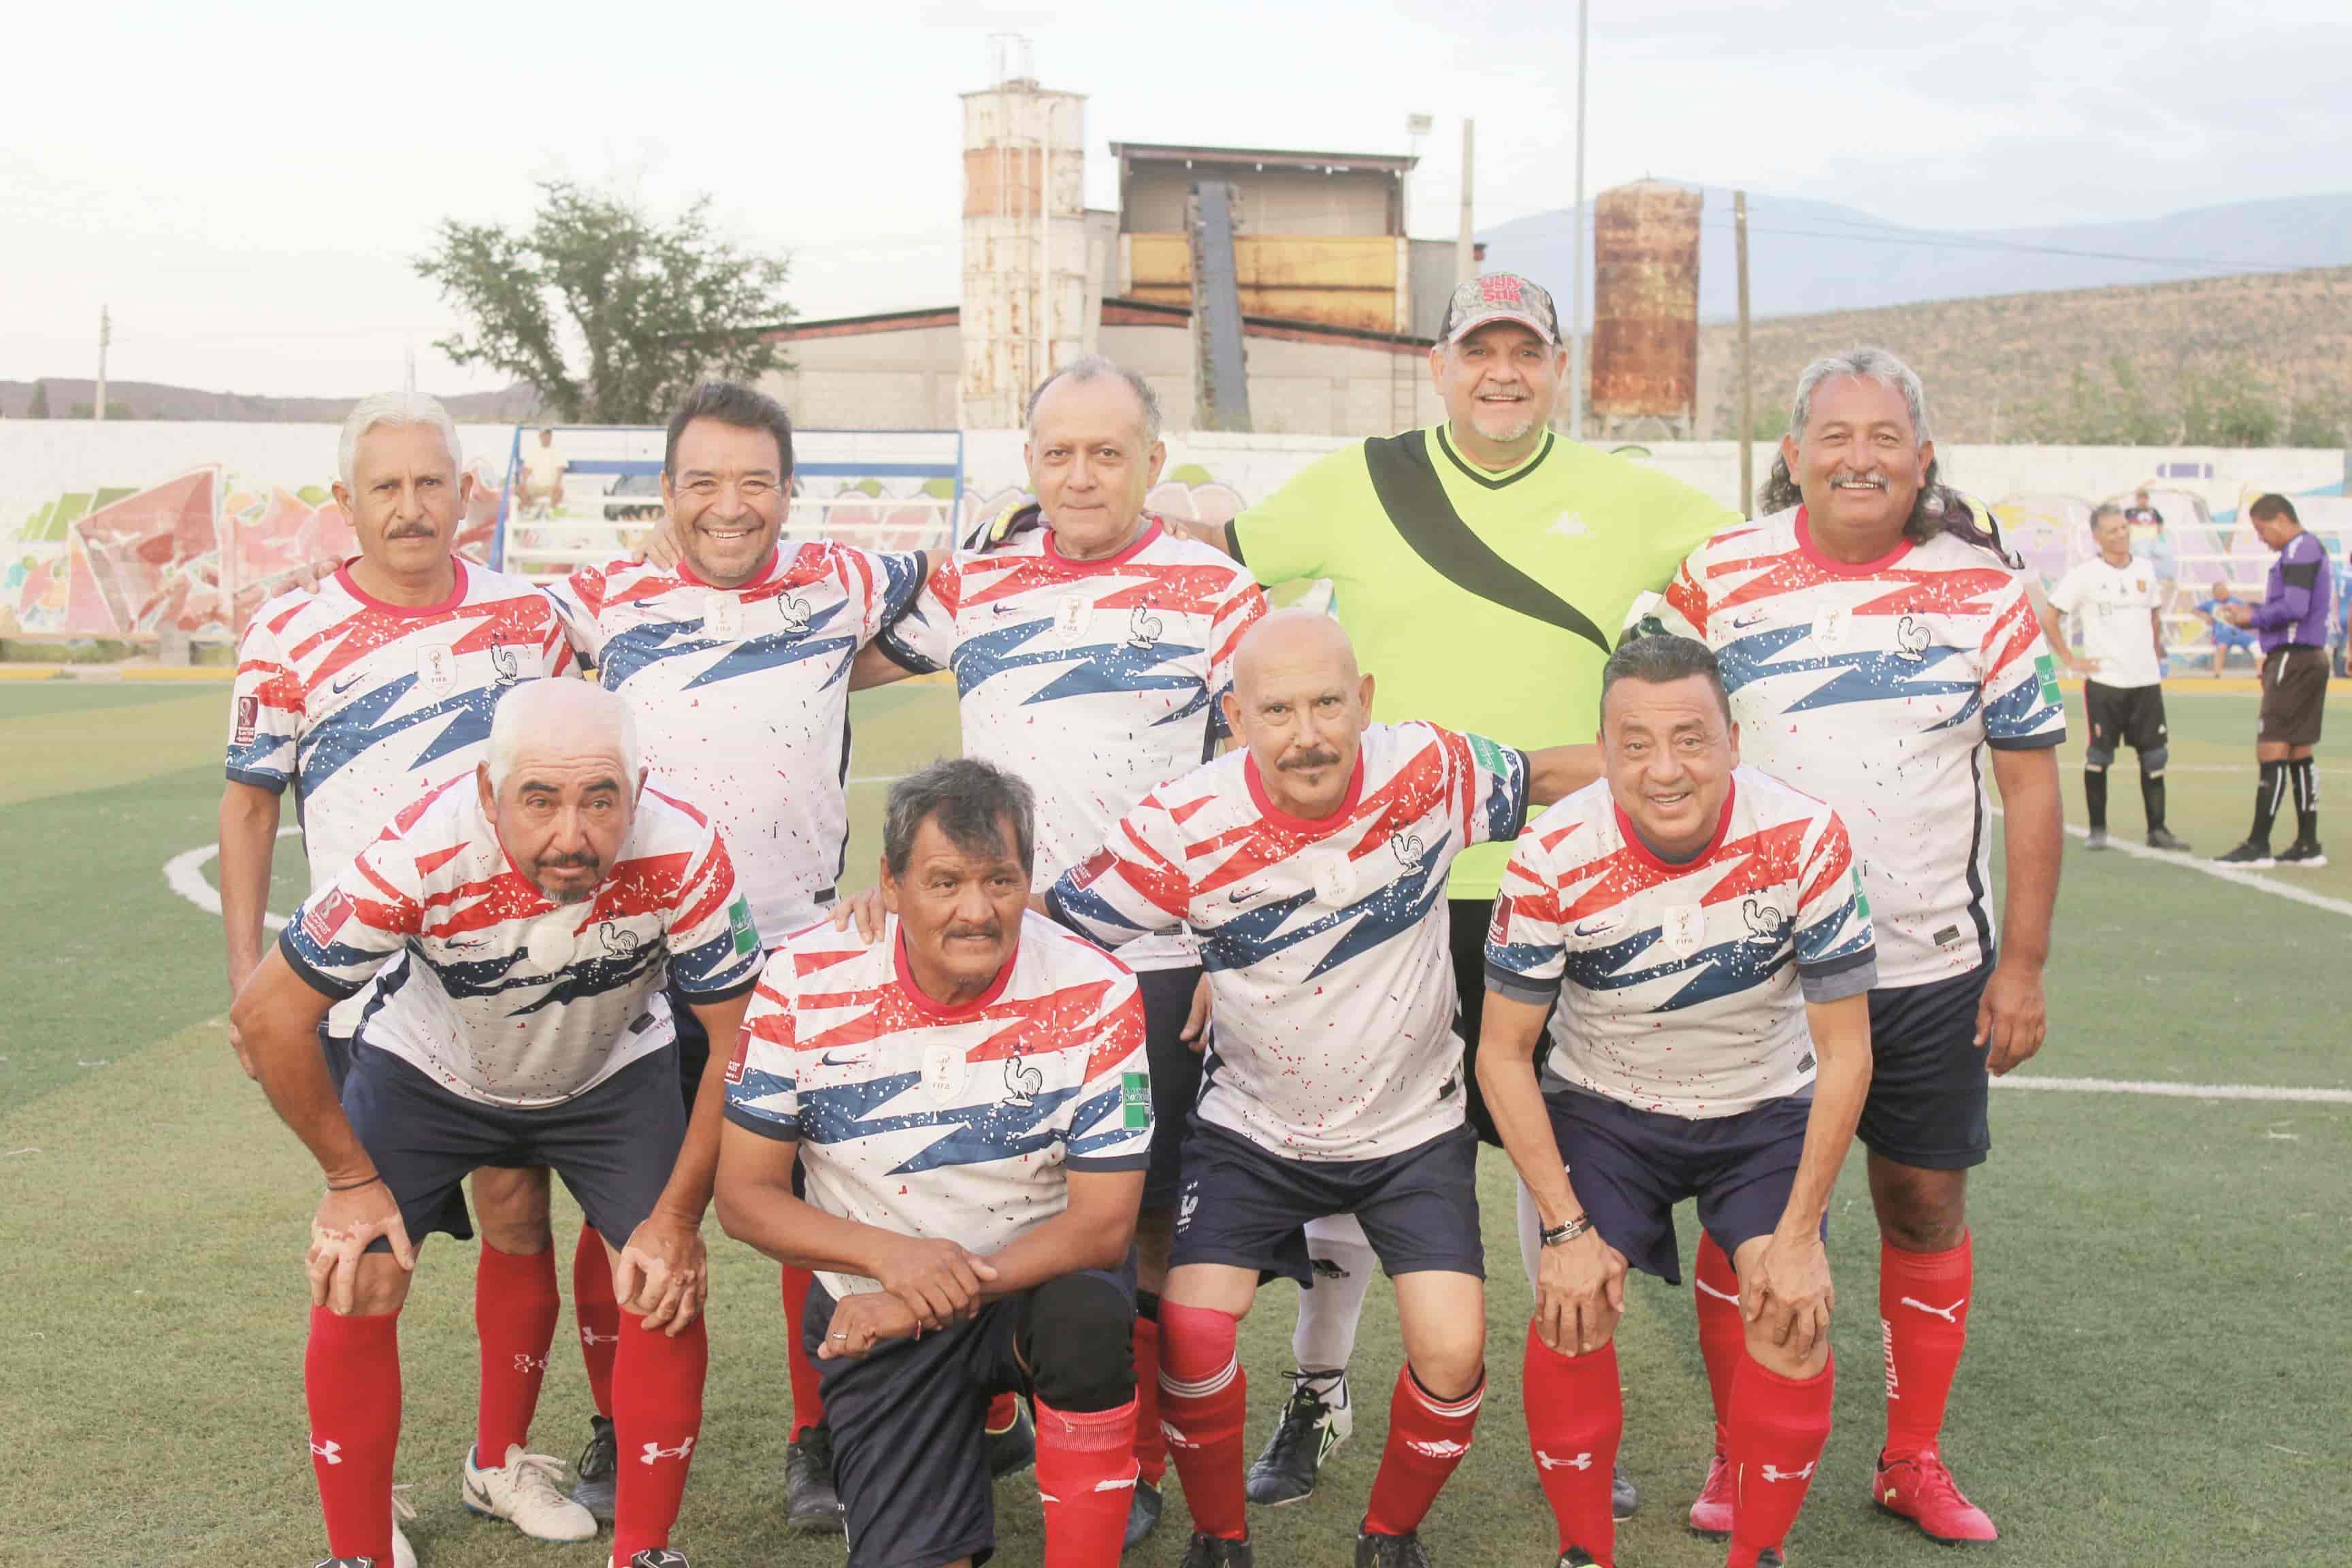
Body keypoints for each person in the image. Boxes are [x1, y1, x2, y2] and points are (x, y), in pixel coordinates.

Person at [1169, 272, 1735, 1513]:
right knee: (1345, 1155)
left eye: (1524, 351)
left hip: (1566, 885)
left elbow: (1761, 571)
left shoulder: (1629, 497)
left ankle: (1570, 1427)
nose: (1502, 373)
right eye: (1479, 350)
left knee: (1564, 1175)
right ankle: (1320, 1388)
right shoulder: (1357, 479)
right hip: (1373, 889)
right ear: (1439, 365)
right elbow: (1204, 575)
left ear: (1558, 364)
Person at [1045, 609, 1605, 1568]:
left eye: (1327, 705)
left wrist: (1692, 775)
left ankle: (1389, 1534)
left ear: (1366, 703)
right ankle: (1223, 1537)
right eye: (1277, 711)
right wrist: (912, 903)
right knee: (1189, 1328)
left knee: (1452, 1353)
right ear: (1234, 717)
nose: (1305, 734)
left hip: (1414, 1133)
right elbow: (1058, 922)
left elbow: (1552, 774)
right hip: (1253, 1127)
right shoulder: (1183, 824)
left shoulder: (1428, 770)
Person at [855, 355, 1271, 1547]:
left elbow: (1257, 780)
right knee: (982, 1175)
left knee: (1135, 1206)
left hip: (1156, 960)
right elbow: (843, 657)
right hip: (996, 955)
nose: (1080, 475)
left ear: (1152, 459)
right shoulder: (973, 584)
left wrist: (1228, 948)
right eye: (1057, 453)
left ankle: (1130, 1450)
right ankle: (973, 1394)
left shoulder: (1218, 591)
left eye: (1106, 451)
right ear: (1026, 464)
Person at [1657, 346, 2066, 1545]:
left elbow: (2029, 788)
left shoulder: (1982, 590)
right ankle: (1742, 1454)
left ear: (1922, 457)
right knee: (1754, 1216)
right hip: (1754, 963)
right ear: (1790, 455)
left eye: (1885, 435)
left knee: (1923, 1201)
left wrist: (2025, 961)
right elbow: (1651, 736)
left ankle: (1909, 1454)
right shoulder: (1715, 576)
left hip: (1928, 964)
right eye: (1833, 434)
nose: (1859, 456)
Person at [231, 679, 762, 1568]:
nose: (573, 834)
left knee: (661, 1282)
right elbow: (267, 1017)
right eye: (540, 801)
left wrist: (674, 1223)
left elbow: (735, 1040)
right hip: (431, 1071)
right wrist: (350, 1185)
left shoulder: (686, 849)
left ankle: (644, 1551)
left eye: (602, 801)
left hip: (609, 1074)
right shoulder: (419, 851)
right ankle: (355, 1552)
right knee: (357, 1269)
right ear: (488, 793)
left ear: (638, 788)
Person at [549, 380, 928, 1531]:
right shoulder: (592, 601)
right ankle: (619, 1424)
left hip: (799, 953)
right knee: (625, 1207)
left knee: (819, 1203)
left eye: (754, 481)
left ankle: (826, 1434)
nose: (730, 505)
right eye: (703, 481)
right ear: (664, 491)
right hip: (636, 963)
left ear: (788, 491)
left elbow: (990, 600)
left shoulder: (841, 585)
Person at [219, 392, 581, 1561]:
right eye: (388, 486)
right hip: (364, 990)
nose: (413, 506)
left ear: (467, 493)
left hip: (513, 977)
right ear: (349, 502)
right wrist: (250, 977)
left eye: (434, 483)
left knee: (520, 1209)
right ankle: (361, 1502)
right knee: (367, 1247)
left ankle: (496, 1459)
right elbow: (250, 802)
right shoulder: (290, 630)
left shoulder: (531, 618)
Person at [1480, 634, 1876, 1568]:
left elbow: (1848, 1049)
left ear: (1734, 740)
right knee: (1570, 1308)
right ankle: (1585, 1553)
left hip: (1764, 1107)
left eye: (1691, 739)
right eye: (1637, 743)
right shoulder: (1553, 846)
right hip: (1605, 1106)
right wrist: (1568, 1235)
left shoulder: (1805, 833)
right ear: (1605, 746)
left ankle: (1758, 1555)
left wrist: (1803, 1234)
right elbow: (1503, 1053)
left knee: (1791, 1313)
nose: (1665, 770)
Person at [715, 758, 1155, 1568]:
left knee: (1088, 1322)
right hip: (874, 1295)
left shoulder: (1097, 989)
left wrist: (928, 1294)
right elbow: (742, 1197)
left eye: (1001, 880)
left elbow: (1103, 1227)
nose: (977, 912)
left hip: (1031, 1284)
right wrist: (891, 1263)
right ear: (889, 882)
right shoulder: (801, 984)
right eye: (945, 882)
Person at [2042, 504, 2189, 851]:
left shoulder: (2146, 571)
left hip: (2145, 681)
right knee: (2099, 757)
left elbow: (2153, 616)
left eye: (2124, 528)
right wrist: (2069, 659)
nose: (2121, 535)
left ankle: (2158, 829)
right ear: (2097, 537)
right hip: (2106, 682)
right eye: (2113, 530)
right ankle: (2097, 830)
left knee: (2155, 757)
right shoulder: (2085, 575)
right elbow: (2050, 616)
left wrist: (2155, 650)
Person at [2214, 493, 2332, 868]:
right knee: (2299, 749)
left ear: (2281, 519)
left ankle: (2258, 844)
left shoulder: (2300, 549)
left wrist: (2253, 618)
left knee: (2273, 747)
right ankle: (2307, 844)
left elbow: (2295, 609)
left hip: (2294, 659)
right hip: (2309, 659)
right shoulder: (2306, 550)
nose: (2262, 539)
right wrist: (2255, 609)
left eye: (2262, 530)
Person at [2194, 579, 2257, 674]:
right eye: (2220, 592)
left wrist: (2241, 617)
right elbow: (2194, 610)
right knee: (2221, 648)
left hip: (2238, 632)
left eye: (2224, 591)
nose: (2223, 594)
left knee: (2256, 647)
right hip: (2222, 634)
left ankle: (2260, 674)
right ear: (2215, 594)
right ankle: (2217, 674)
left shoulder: (2235, 601)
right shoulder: (2211, 604)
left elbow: (2247, 609)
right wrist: (2205, 617)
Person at [521, 427, 567, 521]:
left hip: (551, 486)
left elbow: (561, 469)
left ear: (551, 436)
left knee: (559, 491)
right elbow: (527, 469)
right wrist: (524, 483)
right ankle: (532, 510)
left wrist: (557, 483)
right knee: (519, 490)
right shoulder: (533, 451)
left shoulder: (557, 451)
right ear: (540, 436)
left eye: (548, 435)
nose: (546, 437)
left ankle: (550, 511)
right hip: (536, 485)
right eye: (544, 435)